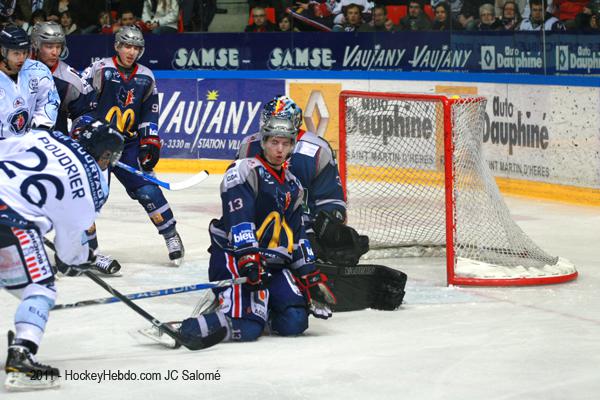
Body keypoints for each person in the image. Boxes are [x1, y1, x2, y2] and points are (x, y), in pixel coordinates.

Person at [177, 117, 336, 344]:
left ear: (292, 146)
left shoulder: (294, 185)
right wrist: (249, 258)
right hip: (235, 256)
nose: (279, 149)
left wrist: (310, 276)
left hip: (272, 265)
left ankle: (256, 310)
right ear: (263, 142)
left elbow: (297, 235)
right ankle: (188, 329)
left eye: (286, 144)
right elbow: (239, 218)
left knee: (295, 321)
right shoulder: (244, 170)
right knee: (248, 328)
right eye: (274, 142)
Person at [1, 121, 124, 391]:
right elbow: (69, 251)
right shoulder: (89, 187)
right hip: (10, 220)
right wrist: (77, 261)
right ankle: (22, 358)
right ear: (104, 155)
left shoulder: (44, 137)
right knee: (40, 289)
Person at [82, 26, 185, 265]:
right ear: (117, 46)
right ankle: (87, 250)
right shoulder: (100, 69)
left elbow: (150, 111)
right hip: (97, 146)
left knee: (148, 191)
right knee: (89, 196)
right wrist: (87, 129)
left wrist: (150, 142)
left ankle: (171, 235)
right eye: (127, 46)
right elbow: (82, 103)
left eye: (136, 48)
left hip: (128, 145)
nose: (131, 52)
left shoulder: (146, 76)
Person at [237, 95, 368, 267]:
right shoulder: (248, 146)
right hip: (260, 229)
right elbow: (238, 196)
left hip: (305, 230)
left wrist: (327, 227)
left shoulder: (318, 150)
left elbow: (331, 199)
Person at [0, 24, 60, 139]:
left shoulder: (38, 70)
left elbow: (49, 101)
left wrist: (40, 129)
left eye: (25, 52)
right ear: (3, 51)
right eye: (16, 53)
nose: (22, 58)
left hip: (30, 143)